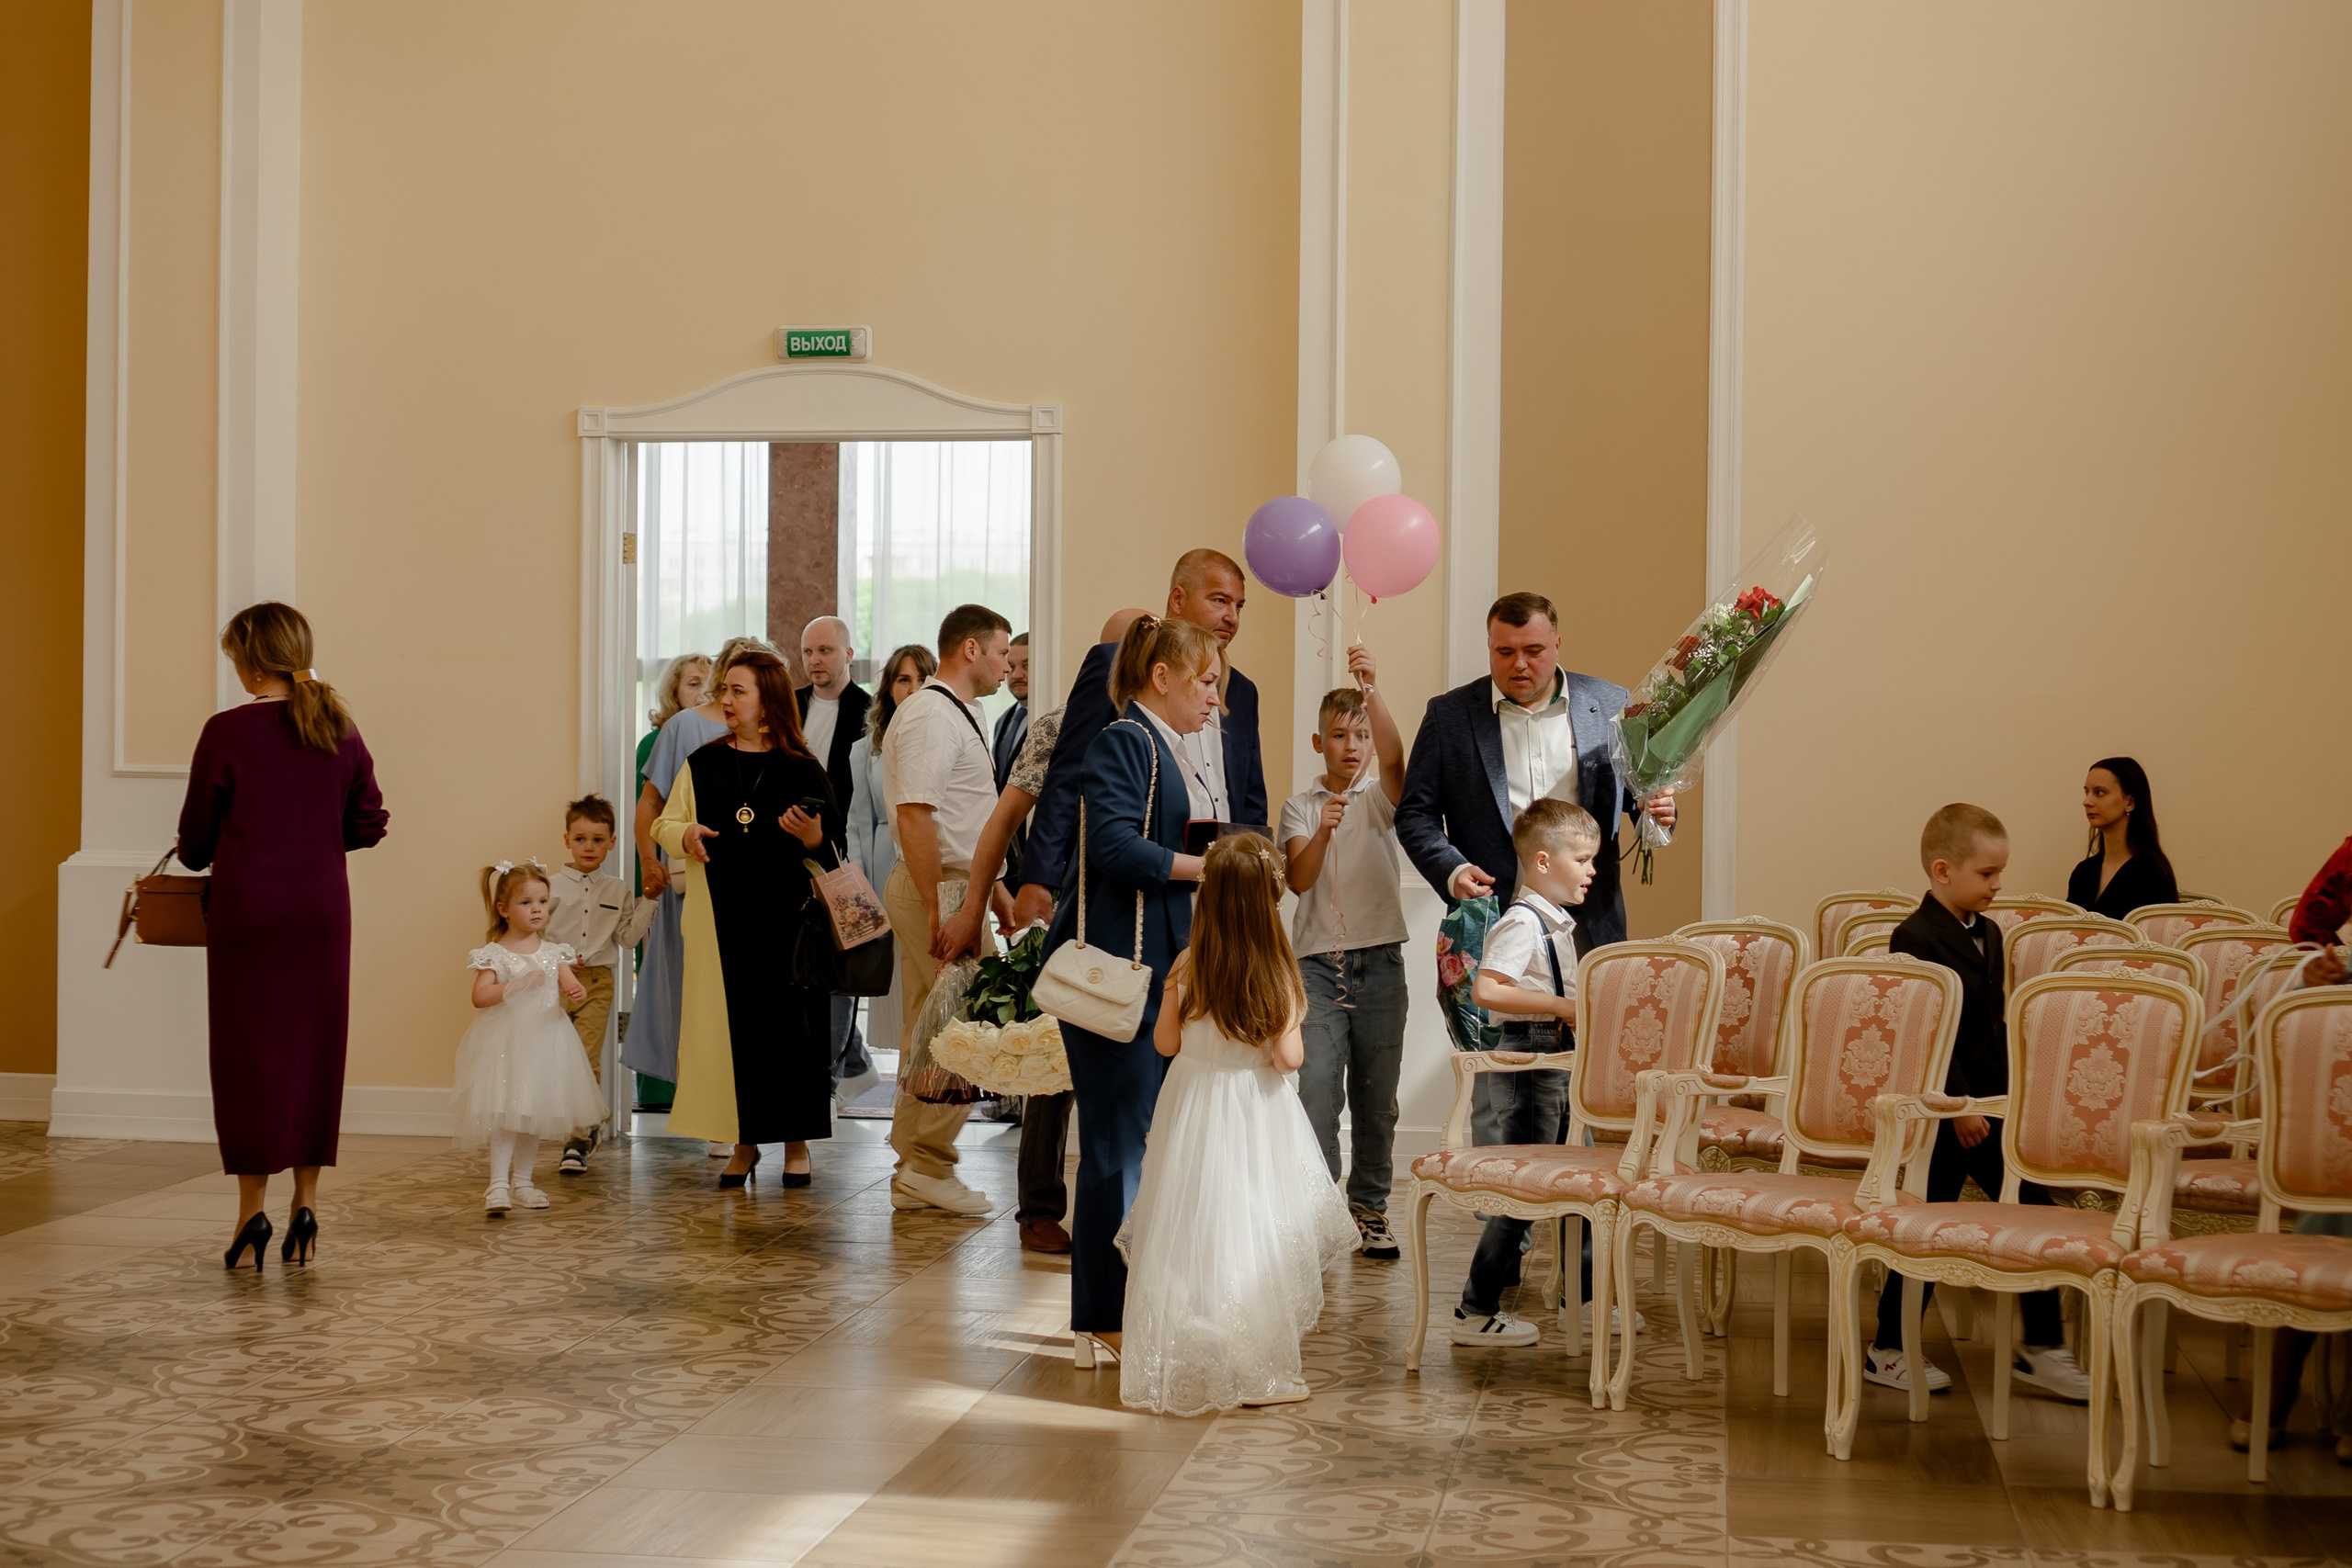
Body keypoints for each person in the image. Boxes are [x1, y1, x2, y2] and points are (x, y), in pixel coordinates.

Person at [1396, 591, 1675, 1151]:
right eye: (1504, 652)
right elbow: (1416, 813)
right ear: (1490, 647)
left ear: (1558, 645)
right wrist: (1453, 872)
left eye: (1533, 650)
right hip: (1498, 920)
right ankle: (1502, 1217)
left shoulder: (1612, 705)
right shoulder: (1450, 715)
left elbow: (1641, 807)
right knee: (1497, 1080)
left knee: (1589, 1076)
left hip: (1589, 921)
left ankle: (1583, 1225)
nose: (1519, 664)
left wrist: (1658, 813)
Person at [177, 602, 389, 1271]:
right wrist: (318, 839)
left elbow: (193, 845)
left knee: (249, 1059)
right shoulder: (337, 727)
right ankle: (307, 1204)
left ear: (248, 660)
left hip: (249, 916)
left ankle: (250, 1213)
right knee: (317, 1054)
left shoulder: (225, 733)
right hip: (322, 913)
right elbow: (370, 821)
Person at [1116, 835, 1357, 1414]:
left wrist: (1175, 992)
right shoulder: (1276, 971)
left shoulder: (1186, 963)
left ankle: (1184, 1354)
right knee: (1255, 1231)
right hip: (1253, 1113)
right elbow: (1290, 1059)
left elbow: (1166, 1042)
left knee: (1192, 1225)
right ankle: (1256, 1369)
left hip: (1193, 1107)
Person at [1865, 804, 2092, 1401]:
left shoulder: (1990, 932)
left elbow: (1990, 1024)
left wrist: (2007, 1099)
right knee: (1924, 1230)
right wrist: (1960, 1104)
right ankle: (1888, 1348)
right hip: (1945, 1114)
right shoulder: (1913, 936)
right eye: (1988, 874)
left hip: (1990, 1108)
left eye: (1999, 873)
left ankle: (2041, 1348)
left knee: (2033, 1215)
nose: (1998, 885)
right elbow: (1929, 1029)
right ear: (1944, 869)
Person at [940, 609, 1148, 1253]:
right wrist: (978, 901)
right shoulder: (1057, 725)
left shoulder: (1169, 723)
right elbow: (1004, 819)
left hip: (1145, 910)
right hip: (1070, 911)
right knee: (1054, 1058)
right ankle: (1038, 1208)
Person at [1049, 615, 1218, 1363]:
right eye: (1204, 681)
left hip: (1152, 974)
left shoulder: (1164, 746)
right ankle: (1101, 1317)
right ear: (1162, 678)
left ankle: (1121, 1308)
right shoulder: (1128, 739)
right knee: (1116, 1150)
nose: (1214, 696)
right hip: (1121, 974)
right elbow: (1112, 845)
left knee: (1135, 1146)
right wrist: (1205, 868)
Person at [652, 649, 840, 1189]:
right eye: (723, 690)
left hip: (791, 927)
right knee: (738, 1038)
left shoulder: (801, 768)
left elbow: (835, 850)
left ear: (768, 700)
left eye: (738, 692)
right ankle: (744, 1144)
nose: (725, 702)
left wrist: (812, 836)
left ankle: (798, 1143)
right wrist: (683, 835)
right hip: (723, 926)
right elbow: (666, 822)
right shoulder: (704, 762)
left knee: (793, 1035)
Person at [1014, 549, 1266, 930]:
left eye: (1239, 606)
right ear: (1178, 599)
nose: (1231, 617)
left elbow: (1247, 798)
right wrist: (1039, 877)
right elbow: (1068, 774)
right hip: (1135, 891)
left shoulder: (1244, 691)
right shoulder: (1120, 665)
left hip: (1218, 895)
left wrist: (1250, 877)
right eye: (1219, 600)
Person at [881, 604, 1014, 1214]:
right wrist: (943, 904)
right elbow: (917, 813)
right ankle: (927, 1163)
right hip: (941, 887)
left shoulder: (964, 712)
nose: (1007, 663)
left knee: (930, 1025)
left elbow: (970, 819)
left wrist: (998, 892)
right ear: (970, 650)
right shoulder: (933, 714)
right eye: (1001, 652)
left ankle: (919, 1163)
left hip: (961, 884)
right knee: (958, 1030)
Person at [1450, 799, 1598, 1347]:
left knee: (1567, 1184)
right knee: (1525, 1192)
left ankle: (1579, 1297)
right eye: (1581, 859)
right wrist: (1565, 1008)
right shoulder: (1522, 921)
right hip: (1529, 1059)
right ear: (1541, 861)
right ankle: (1475, 1308)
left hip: (1553, 1060)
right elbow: (1488, 991)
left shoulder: (1554, 922)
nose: (1591, 870)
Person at [1280, 646, 1408, 1261]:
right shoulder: (1300, 806)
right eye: (1339, 735)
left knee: (1377, 1098)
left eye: (1359, 734)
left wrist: (1372, 688)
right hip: (1317, 968)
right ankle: (1320, 1210)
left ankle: (1370, 1209)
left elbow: (1396, 756)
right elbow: (1298, 880)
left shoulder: (1382, 798)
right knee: (1317, 1091)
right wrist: (1324, 827)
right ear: (1318, 741)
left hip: (1381, 961)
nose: (1352, 745)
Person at [629, 635, 771, 1141]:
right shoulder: (685, 728)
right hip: (695, 882)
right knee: (694, 1001)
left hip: (760, 892)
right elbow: (652, 804)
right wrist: (650, 862)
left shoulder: (776, 736)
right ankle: (707, 1114)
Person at [456, 861, 606, 1215]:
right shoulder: (494, 954)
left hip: (546, 1045)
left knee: (533, 1115)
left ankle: (523, 1181)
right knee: (508, 1115)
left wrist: (575, 989)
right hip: (507, 1046)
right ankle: (497, 1184)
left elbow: (569, 982)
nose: (537, 909)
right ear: (504, 909)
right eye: (526, 902)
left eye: (542, 901)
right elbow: (480, 997)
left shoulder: (554, 953)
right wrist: (515, 984)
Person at [546, 794, 658, 1174]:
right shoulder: (549, 887)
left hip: (598, 983)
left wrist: (650, 903)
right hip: (552, 984)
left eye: (597, 839)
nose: (588, 847)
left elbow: (626, 939)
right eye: (580, 839)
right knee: (550, 1057)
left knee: (585, 1058)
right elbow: (535, 935)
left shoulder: (619, 890)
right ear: (567, 840)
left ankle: (578, 1138)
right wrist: (557, 961)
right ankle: (589, 1116)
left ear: (612, 842)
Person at [846, 644, 937, 1093]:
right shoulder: (865, 750)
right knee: (897, 987)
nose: (914, 687)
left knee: (929, 980)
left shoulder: (946, 736)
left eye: (923, 678)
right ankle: (904, 1089)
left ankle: (929, 1088)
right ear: (889, 687)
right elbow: (857, 824)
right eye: (904, 679)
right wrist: (860, 885)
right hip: (884, 867)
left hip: (934, 861)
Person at [798, 617, 876, 1101]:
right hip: (791, 855)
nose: (814, 661)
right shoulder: (789, 705)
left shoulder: (868, 711)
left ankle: (829, 1074)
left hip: (844, 856)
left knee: (842, 968)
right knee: (803, 967)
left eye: (825, 650)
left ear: (848, 654)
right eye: (807, 652)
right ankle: (853, 1064)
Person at [2065, 756, 2179, 919]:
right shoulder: (2084, 872)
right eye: (2087, 792)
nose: (2087, 801)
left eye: (2099, 793)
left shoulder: (2151, 873)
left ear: (2130, 803)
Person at [993, 632, 1034, 885]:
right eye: (1012, 666)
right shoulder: (1003, 721)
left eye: (1027, 666)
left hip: (1033, 849)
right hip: (1006, 852)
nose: (1016, 674)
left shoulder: (1054, 720)